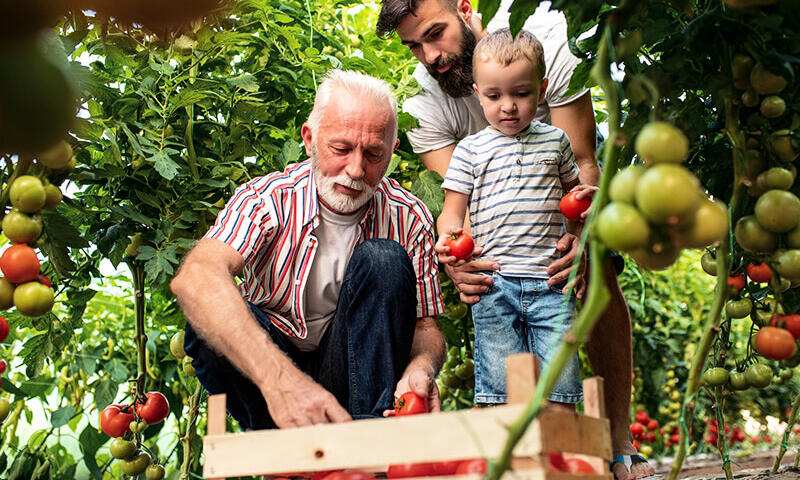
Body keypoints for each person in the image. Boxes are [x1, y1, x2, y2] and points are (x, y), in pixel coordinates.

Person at [376, 1, 654, 479]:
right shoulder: (426, 102)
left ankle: (616, 437)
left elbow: (583, 164)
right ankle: (508, 453)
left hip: (556, 218)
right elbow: (458, 206)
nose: (428, 56)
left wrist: (581, 238)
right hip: (496, 240)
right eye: (413, 46)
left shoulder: (544, 35)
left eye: (435, 34)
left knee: (598, 264)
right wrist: (455, 260)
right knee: (495, 346)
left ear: (465, 7)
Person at [170, 69, 446, 430]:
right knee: (208, 323)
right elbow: (196, 278)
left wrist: (421, 366)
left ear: (392, 152)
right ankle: (281, 440)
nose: (356, 169)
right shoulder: (267, 200)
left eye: (374, 154)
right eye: (341, 149)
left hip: (357, 376)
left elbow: (426, 326)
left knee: (384, 260)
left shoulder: (408, 216)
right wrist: (282, 382)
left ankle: (370, 440)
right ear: (309, 138)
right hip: (271, 379)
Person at [436, 28, 592, 408]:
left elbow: (575, 198)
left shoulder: (556, 141)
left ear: (542, 89)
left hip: (551, 281)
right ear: (477, 93)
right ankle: (509, 464)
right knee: (501, 392)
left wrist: (581, 221)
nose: (508, 106)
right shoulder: (470, 151)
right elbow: (452, 214)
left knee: (561, 386)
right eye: (494, 96)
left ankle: (561, 462)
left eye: (521, 93)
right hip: (494, 283)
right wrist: (449, 242)